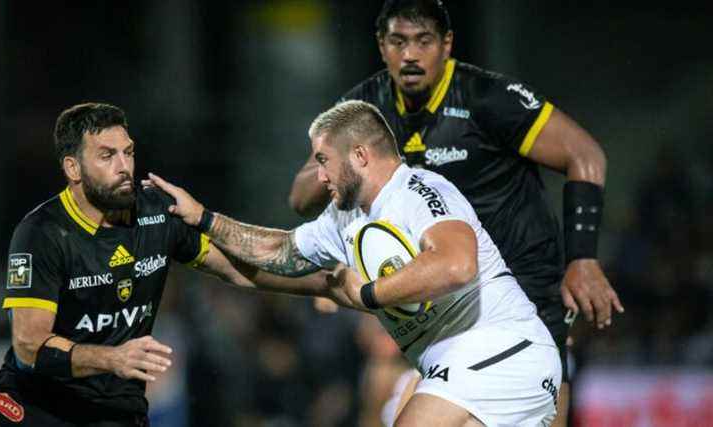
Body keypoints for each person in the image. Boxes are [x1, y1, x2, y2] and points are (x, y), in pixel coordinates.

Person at [287, 1, 624, 424]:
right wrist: (330, 160)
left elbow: (584, 154)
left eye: (423, 41)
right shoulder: (366, 109)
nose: (410, 55)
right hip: (431, 287)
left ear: (446, 44)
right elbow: (301, 200)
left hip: (521, 288)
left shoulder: (487, 98)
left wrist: (583, 258)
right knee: (379, 382)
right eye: (398, 41)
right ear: (381, 46)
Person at [148, 100, 563, 426]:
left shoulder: (418, 191)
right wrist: (204, 221)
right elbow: (281, 254)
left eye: (323, 161)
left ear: (361, 155)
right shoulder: (343, 217)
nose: (319, 177)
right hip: (476, 363)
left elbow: (457, 265)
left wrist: (368, 293)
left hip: (501, 349)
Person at [0, 102, 334, 427]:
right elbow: (29, 347)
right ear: (73, 168)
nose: (125, 166)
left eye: (129, 152)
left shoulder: (157, 211)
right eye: (107, 156)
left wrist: (320, 284)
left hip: (112, 412)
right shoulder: (41, 233)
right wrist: (112, 358)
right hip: (34, 404)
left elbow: (236, 268)